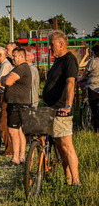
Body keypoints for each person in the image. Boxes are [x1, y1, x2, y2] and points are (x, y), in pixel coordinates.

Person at [42, 30, 81, 186]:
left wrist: (68, 105)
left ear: (61, 44)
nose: (50, 48)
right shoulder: (58, 60)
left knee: (67, 146)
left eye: (51, 45)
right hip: (52, 109)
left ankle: (76, 182)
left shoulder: (69, 60)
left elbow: (71, 83)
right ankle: (68, 179)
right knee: (59, 146)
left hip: (61, 110)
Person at [1, 47, 31, 167]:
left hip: (17, 104)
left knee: (13, 131)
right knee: (18, 131)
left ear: (21, 56)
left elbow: (7, 81)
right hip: (18, 103)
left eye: (14, 56)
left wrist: (4, 79)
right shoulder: (20, 68)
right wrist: (5, 78)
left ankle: (15, 158)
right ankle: (21, 156)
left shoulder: (22, 68)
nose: (12, 58)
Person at [81, 44, 99, 133]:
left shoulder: (93, 61)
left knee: (94, 109)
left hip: (93, 86)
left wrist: (80, 78)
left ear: (95, 52)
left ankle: (96, 130)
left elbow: (85, 73)